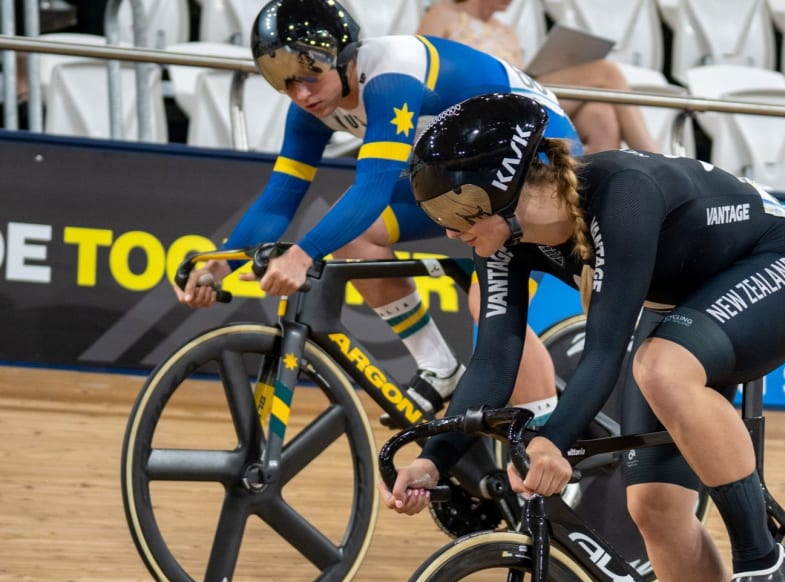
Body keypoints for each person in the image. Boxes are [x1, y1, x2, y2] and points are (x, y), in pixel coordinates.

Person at [383, 92, 785, 582]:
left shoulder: (621, 195)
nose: (451, 233)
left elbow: (604, 347)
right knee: (654, 509)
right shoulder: (499, 240)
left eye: (454, 211)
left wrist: (555, 439)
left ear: (502, 187)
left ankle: (761, 558)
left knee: (660, 367)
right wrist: (436, 459)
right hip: (681, 305)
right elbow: (496, 356)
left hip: (779, 263)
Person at [176, 0, 583, 423]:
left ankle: (546, 446)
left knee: (492, 301)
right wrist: (219, 263)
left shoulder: (391, 78)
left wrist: (302, 255)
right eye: (282, 81)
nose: (299, 93)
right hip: (474, 177)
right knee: (356, 235)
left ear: (344, 54)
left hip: (537, 166)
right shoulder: (312, 104)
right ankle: (438, 368)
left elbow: (371, 189)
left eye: (309, 75)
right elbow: (281, 194)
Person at [416, 0, 661, 154]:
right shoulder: (442, 13)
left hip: (519, 94)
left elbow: (520, 73)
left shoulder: (507, 31)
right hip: (477, 100)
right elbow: (424, 68)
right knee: (606, 71)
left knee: (600, 112)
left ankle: (596, 198)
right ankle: (653, 156)